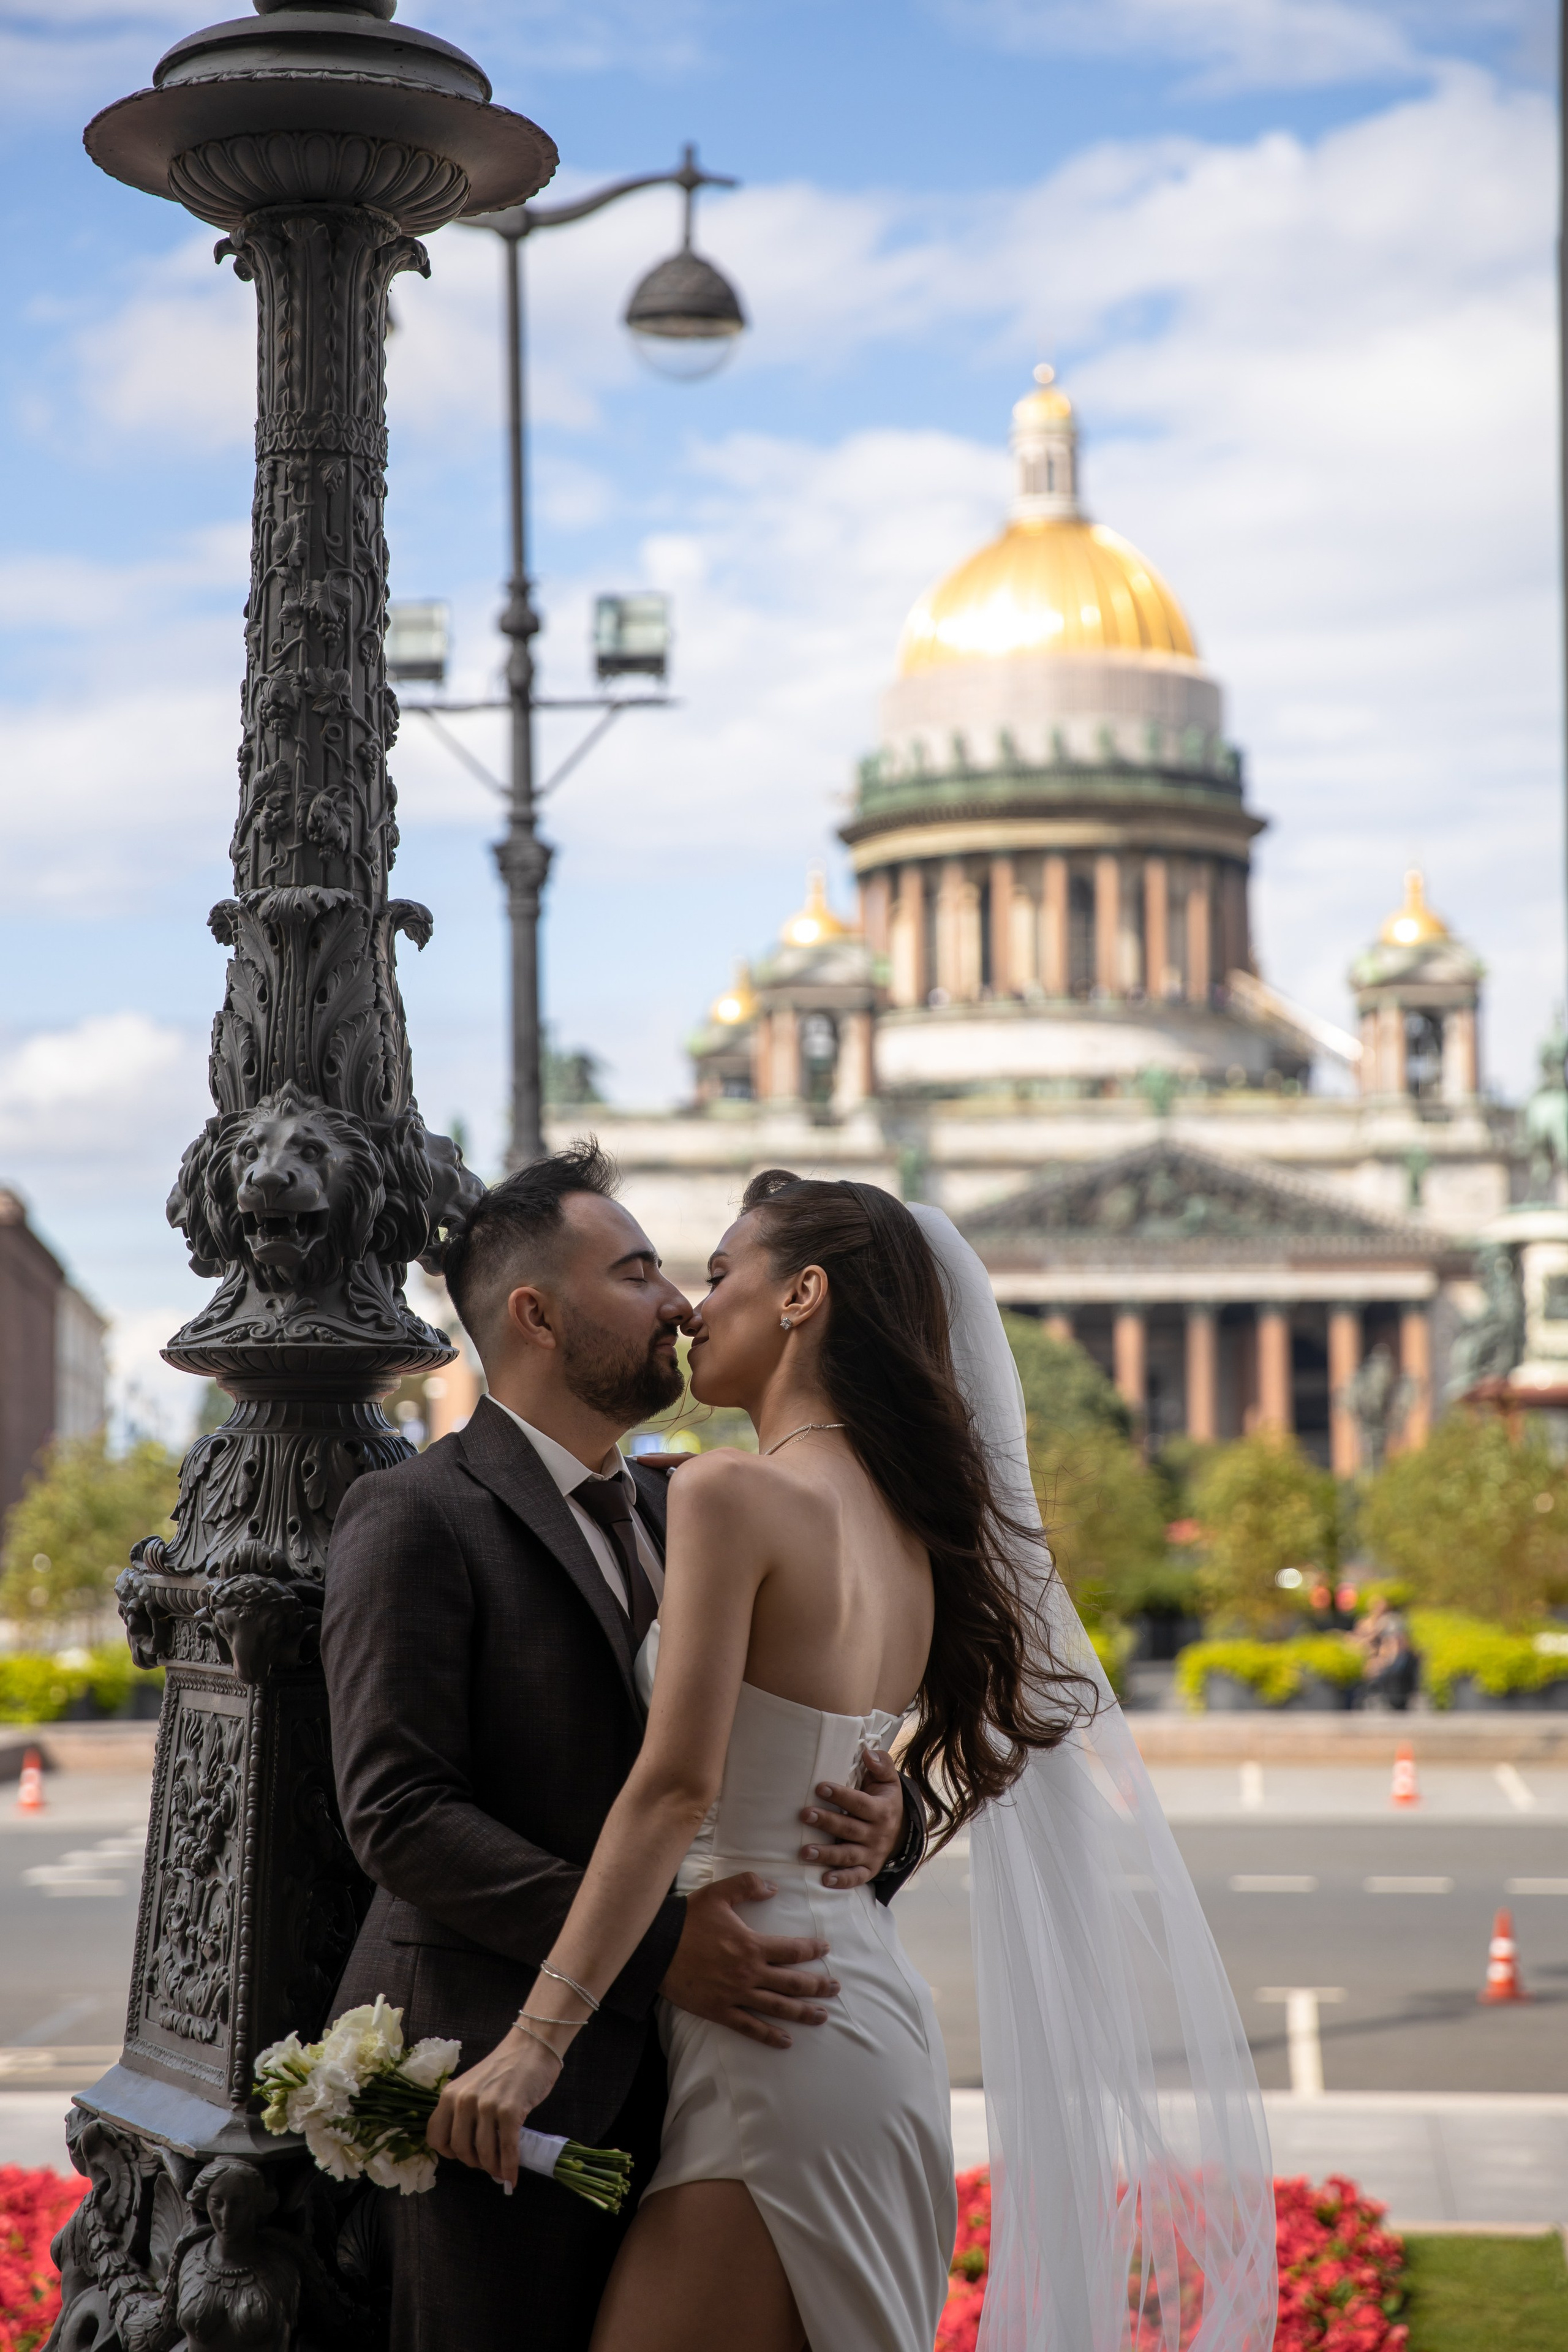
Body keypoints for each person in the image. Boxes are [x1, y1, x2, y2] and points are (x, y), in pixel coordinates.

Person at [428, 1169, 1280, 2352]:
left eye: (721, 1273)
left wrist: (535, 2044)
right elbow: (837, 1752)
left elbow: (677, 1788)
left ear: (803, 1296)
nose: (690, 1308)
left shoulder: (731, 1495)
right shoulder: (905, 1524)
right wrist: (876, 1809)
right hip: (856, 2006)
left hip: (769, 2035)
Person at [320, 1147, 921, 2352]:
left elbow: (761, 1755)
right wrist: (658, 1953)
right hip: (498, 2097)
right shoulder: (416, 1515)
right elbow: (396, 1810)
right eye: (641, 1270)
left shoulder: (682, 1506)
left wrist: (884, 1810)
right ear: (535, 1316)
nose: (681, 1305)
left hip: (699, 2076)